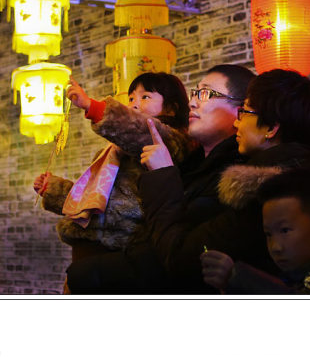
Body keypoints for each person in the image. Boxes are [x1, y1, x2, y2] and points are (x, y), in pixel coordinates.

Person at [137, 68, 310, 293]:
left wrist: (162, 173)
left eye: (245, 112)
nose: (237, 123)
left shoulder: (266, 189)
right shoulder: (301, 175)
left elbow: (181, 259)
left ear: (271, 128)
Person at [66, 64, 256, 293]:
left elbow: (179, 261)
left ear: (239, 112)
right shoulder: (192, 164)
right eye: (195, 93)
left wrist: (92, 106)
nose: (193, 102)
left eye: (206, 93)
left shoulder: (235, 179)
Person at [33, 72, 195, 264]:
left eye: (145, 97)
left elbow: (140, 130)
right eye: (131, 98)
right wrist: (52, 189)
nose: (134, 104)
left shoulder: (170, 140)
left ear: (171, 109)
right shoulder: (112, 152)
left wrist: (92, 106)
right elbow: (91, 199)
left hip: (121, 249)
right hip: (87, 243)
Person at [200, 168, 310, 294]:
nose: (275, 247)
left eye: (285, 230)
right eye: (268, 234)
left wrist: (238, 279)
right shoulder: (293, 281)